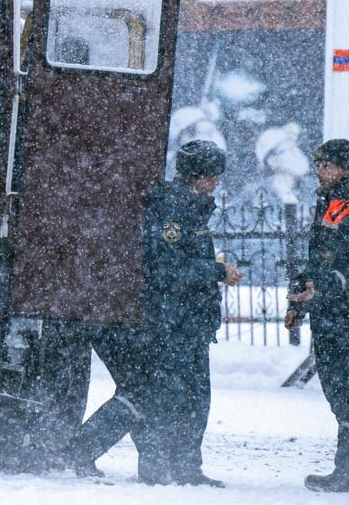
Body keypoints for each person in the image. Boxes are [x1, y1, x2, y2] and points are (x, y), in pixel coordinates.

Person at [62, 139, 243, 486]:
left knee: (190, 398)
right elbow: (166, 267)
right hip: (170, 321)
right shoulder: (173, 208)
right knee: (152, 395)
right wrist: (216, 271)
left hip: (188, 321)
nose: (217, 182)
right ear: (197, 175)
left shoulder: (191, 206)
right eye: (212, 175)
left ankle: (182, 467)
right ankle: (89, 451)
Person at [285, 138, 349, 494]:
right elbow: (321, 259)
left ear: (344, 168)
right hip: (331, 312)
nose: (319, 171)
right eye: (318, 164)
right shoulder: (329, 200)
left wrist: (323, 287)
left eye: (326, 165)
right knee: (342, 392)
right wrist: (301, 301)